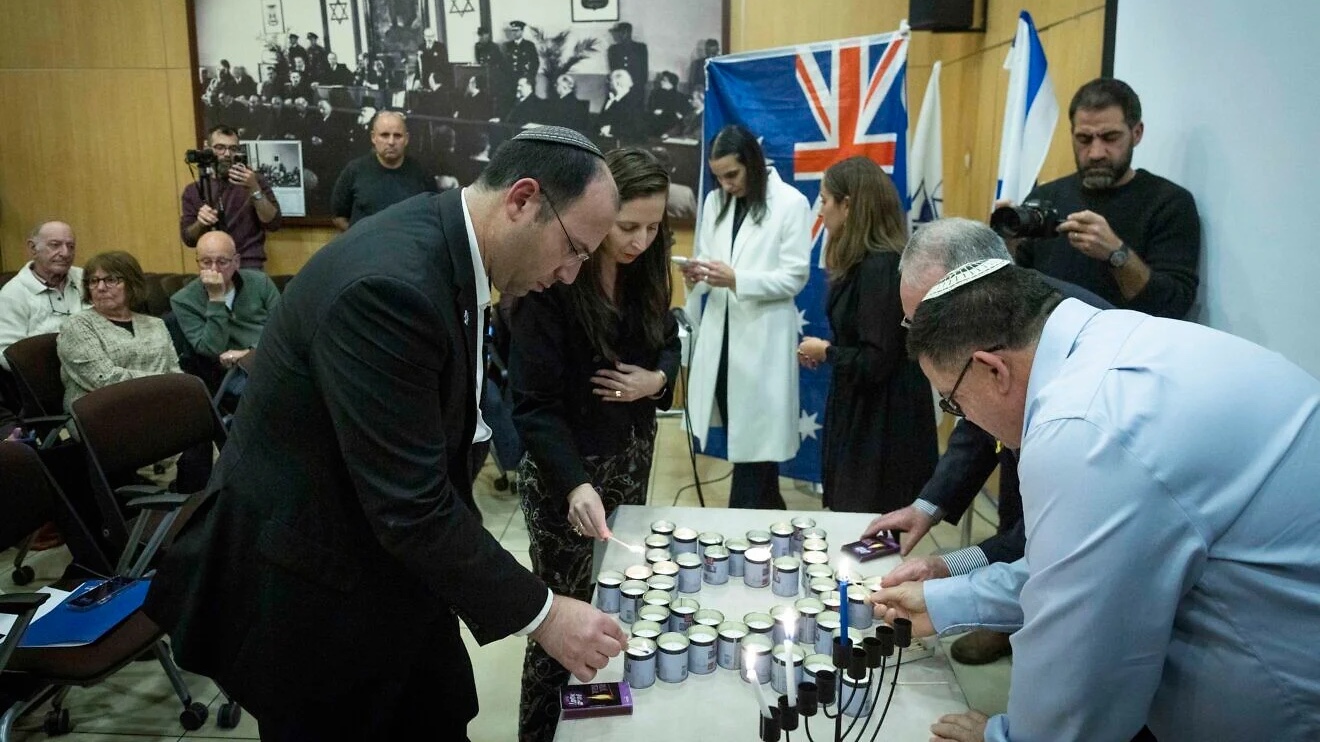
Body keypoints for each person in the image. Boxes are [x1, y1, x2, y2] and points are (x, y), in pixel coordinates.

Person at [143, 126, 628, 741]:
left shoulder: (445, 246)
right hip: (313, 593)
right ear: (523, 199)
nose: (569, 274)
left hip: (386, 568)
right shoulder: (389, 288)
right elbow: (409, 503)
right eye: (575, 249)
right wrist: (545, 613)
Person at [872, 261, 1320, 742]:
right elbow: (1081, 565)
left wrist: (1005, 738)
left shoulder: (1081, 425)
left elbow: (1078, 673)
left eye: (953, 403)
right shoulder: (1111, 338)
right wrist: (945, 600)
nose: (967, 421)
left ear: (991, 368)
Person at [862, 217, 1113, 666]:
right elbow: (978, 419)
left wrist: (1011, 736)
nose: (924, 337)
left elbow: (1061, 569)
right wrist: (928, 509)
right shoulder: (1012, 342)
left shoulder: (1075, 411)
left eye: (930, 319)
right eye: (913, 322)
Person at [510, 148, 679, 742]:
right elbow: (531, 404)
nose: (639, 240)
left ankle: (599, 726)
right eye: (627, 226)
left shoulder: (647, 268)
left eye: (653, 227)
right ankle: (541, 732)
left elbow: (669, 341)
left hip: (630, 456)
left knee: (617, 600)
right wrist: (574, 482)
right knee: (563, 621)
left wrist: (656, 382)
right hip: (565, 474)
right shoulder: (552, 279)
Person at [680, 125, 811, 509]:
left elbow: (794, 276)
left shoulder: (791, 203)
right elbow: (707, 257)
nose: (725, 184)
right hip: (722, 340)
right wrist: (697, 275)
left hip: (762, 341)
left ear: (752, 163)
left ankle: (743, 528)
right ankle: (770, 519)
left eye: (732, 175)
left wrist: (738, 279)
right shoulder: (715, 203)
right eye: (718, 176)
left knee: (757, 449)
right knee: (752, 449)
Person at [796, 156, 936, 513]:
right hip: (867, 411)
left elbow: (877, 360)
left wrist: (827, 351)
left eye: (825, 200)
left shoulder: (880, 265)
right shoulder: (871, 261)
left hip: (882, 426)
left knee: (866, 525)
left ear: (848, 205)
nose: (820, 212)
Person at [1009, 78, 1200, 318]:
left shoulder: (1169, 203)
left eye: (1110, 138)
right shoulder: (1045, 197)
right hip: (1045, 342)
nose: (1096, 153)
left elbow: (1173, 306)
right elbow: (1014, 292)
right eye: (1084, 139)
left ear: (1137, 133)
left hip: (1127, 349)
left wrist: (1117, 254)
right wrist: (1006, 245)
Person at [57, 251, 180, 411]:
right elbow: (104, 379)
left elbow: (175, 371)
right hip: (102, 412)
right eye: (94, 281)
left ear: (132, 284)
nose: (100, 288)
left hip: (157, 405)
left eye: (111, 280)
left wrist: (175, 386)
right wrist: (165, 382)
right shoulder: (77, 325)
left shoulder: (156, 324)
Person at [169, 230, 280, 386]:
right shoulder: (183, 301)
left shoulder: (261, 282)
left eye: (222, 262)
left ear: (236, 262)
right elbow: (211, 349)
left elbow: (283, 331)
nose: (214, 269)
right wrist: (216, 299)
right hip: (231, 373)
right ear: (197, 263)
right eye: (206, 262)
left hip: (272, 358)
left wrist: (249, 354)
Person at [180, 125, 282, 270]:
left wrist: (254, 188)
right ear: (207, 148)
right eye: (220, 147)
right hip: (212, 267)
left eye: (233, 149)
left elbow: (274, 223)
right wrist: (200, 223)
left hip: (249, 264)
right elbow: (188, 239)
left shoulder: (255, 180)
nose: (227, 154)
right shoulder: (193, 190)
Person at [0, 221, 89, 372]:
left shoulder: (85, 278)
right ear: (33, 248)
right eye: (55, 245)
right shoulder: (13, 294)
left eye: (70, 246)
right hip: (47, 376)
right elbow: (5, 354)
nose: (65, 253)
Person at [330, 110, 439, 230]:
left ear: (406, 139)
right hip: (366, 246)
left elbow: (435, 217)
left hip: (408, 246)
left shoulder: (422, 174)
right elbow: (338, 217)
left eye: (397, 136)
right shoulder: (354, 171)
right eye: (384, 135)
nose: (391, 142)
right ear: (373, 137)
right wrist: (359, 238)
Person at [597, 69, 644, 144]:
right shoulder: (613, 98)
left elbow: (636, 128)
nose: (609, 84)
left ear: (617, 83)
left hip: (627, 145)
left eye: (611, 81)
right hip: (609, 142)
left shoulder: (634, 101)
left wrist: (611, 129)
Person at [606, 22, 648, 96]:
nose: (616, 36)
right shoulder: (613, 49)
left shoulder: (640, 48)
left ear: (625, 33)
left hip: (636, 89)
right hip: (619, 88)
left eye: (618, 33)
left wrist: (638, 87)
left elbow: (644, 69)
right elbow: (613, 69)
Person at [646, 71, 689, 138]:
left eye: (664, 80)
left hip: (672, 126)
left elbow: (683, 114)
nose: (661, 82)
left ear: (671, 82)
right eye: (662, 80)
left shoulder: (680, 96)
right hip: (656, 124)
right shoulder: (655, 94)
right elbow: (650, 109)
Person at [503, 21, 539, 99]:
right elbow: (504, 64)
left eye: (517, 30)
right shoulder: (508, 46)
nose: (514, 33)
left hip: (525, 79)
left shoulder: (529, 45)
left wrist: (529, 78)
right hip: (511, 81)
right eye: (513, 30)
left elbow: (535, 63)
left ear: (522, 31)